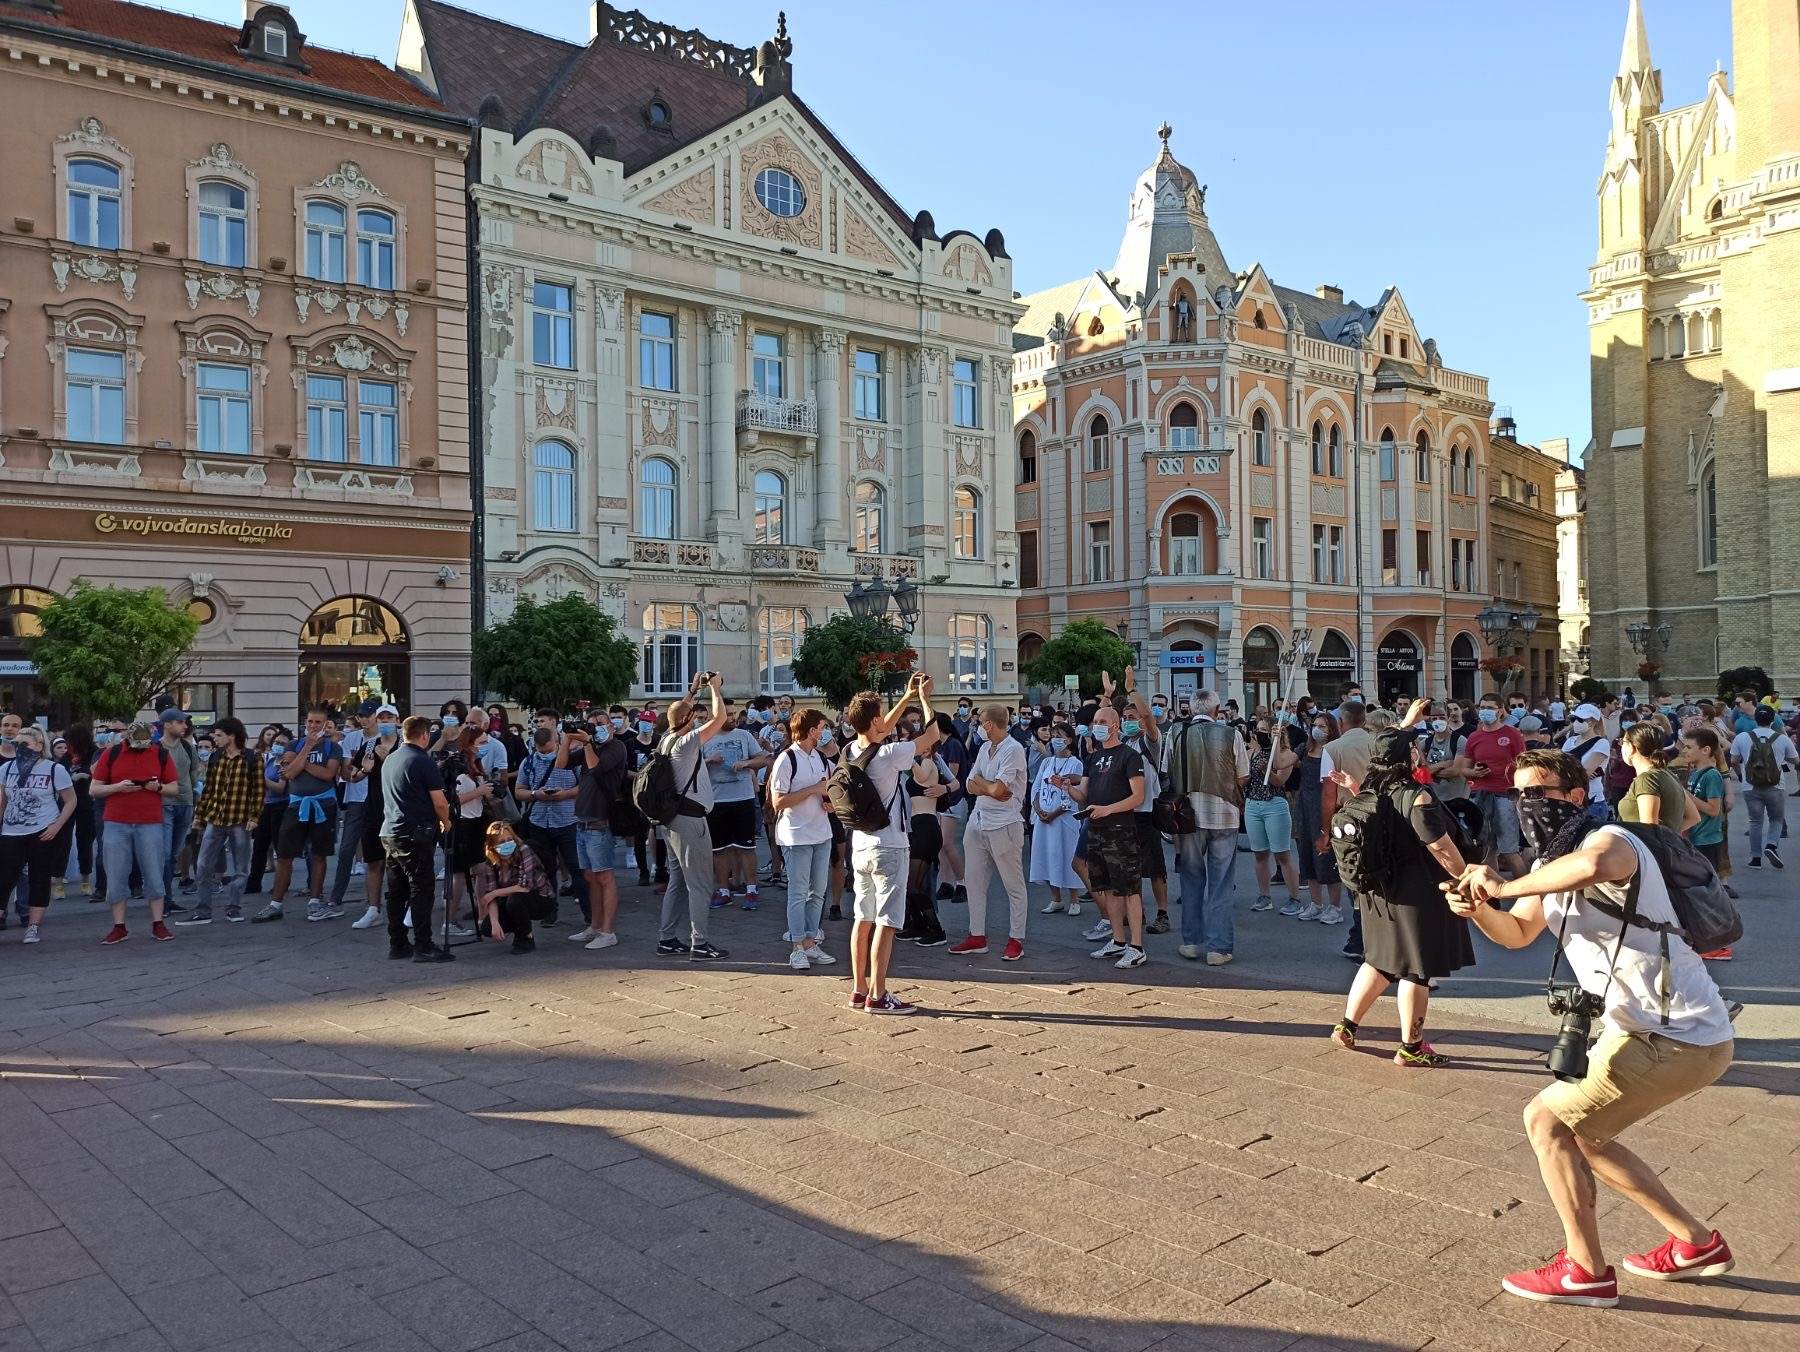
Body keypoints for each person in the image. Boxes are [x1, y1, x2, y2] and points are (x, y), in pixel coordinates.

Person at [1446, 749, 1737, 1307]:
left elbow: (1594, 869)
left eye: (1541, 794)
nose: (1528, 806)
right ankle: (1696, 1244)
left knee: (1546, 1121)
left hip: (1677, 1033)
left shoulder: (1611, 840)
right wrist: (1477, 906)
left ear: (1576, 797)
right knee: (1589, 1138)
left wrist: (1502, 885)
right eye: (1518, 795)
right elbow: (1514, 935)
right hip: (1652, 1029)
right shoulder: (1544, 868)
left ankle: (1585, 1271)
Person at [1330, 701, 1475, 1067]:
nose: (1419, 752)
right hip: (1417, 892)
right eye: (1414, 748)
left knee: (1378, 960)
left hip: (1380, 888)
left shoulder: (1372, 785)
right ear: (1409, 756)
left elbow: (1390, 744)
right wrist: (1465, 877)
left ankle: (1347, 1025)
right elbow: (1440, 847)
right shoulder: (1417, 796)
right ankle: (1412, 1047)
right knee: (1415, 969)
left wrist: (1409, 722)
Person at [845, 674, 940, 1014]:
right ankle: (879, 994)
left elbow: (879, 726)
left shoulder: (850, 749)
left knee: (863, 918)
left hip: (860, 843)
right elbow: (932, 735)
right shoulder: (889, 754)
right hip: (890, 845)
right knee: (886, 922)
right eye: (882, 714)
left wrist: (905, 696)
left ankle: (859, 990)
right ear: (874, 720)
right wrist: (925, 700)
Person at [1165, 690, 1250, 965]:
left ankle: (1190, 942)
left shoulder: (1175, 733)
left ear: (1190, 709)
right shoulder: (1231, 734)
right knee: (1221, 882)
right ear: (1216, 710)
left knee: (1190, 878)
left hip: (1187, 816)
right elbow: (1243, 777)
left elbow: (1166, 770)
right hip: (1225, 816)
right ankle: (1219, 947)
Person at [1067, 702, 1149, 969]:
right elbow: (1085, 796)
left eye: (1103, 722)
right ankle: (1117, 940)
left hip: (1121, 830)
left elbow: (1138, 796)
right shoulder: (1092, 758)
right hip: (1096, 828)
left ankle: (1137, 946)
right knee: (1108, 887)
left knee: (1129, 889)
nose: (1097, 727)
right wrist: (1068, 788)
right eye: (1095, 722)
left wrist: (1107, 810)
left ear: (1115, 726)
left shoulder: (1129, 756)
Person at [656, 672, 731, 962]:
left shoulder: (666, 739)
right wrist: (714, 689)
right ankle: (699, 943)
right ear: (689, 720)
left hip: (670, 819)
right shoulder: (687, 742)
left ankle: (667, 938)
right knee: (700, 883)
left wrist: (691, 691)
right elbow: (720, 718)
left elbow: (679, 713)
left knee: (677, 879)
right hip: (690, 821)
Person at [950, 704, 1030, 961]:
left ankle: (1016, 938)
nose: (976, 725)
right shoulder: (985, 748)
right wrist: (988, 786)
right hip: (978, 820)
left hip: (1004, 824)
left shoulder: (1014, 749)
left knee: (1013, 884)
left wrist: (985, 786)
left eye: (980, 722)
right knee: (973, 881)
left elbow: (1000, 789)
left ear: (988, 725)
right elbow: (970, 784)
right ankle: (977, 936)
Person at [90, 721, 178, 945]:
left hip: (150, 821)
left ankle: (158, 923)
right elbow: (94, 788)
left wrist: (156, 787)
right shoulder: (112, 753)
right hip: (116, 821)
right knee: (116, 872)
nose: (141, 746)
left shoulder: (160, 754)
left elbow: (174, 788)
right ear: (127, 737)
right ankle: (119, 926)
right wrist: (118, 787)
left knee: (154, 871)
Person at [254, 706, 342, 923]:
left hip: (324, 805)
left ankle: (315, 902)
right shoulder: (294, 744)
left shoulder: (333, 748)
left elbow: (328, 774)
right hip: (296, 805)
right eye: (310, 722)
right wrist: (308, 748)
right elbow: (290, 773)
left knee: (319, 854)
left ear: (325, 724)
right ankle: (276, 903)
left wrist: (302, 764)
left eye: (318, 723)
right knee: (285, 855)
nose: (313, 726)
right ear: (305, 723)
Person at [379, 715, 453, 961]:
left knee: (396, 889)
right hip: (414, 833)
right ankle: (423, 945)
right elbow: (439, 801)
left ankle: (397, 943)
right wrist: (446, 821)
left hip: (390, 831)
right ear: (424, 735)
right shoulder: (423, 761)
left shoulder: (390, 759)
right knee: (422, 888)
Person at [767, 709, 836, 970]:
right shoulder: (787, 758)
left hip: (821, 832)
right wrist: (812, 791)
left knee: (817, 892)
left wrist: (828, 803)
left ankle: (810, 941)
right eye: (821, 726)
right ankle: (797, 946)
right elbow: (778, 800)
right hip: (796, 835)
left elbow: (826, 791)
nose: (824, 731)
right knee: (798, 892)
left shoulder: (819, 757)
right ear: (810, 730)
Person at [0, 725, 77, 944]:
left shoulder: (54, 769)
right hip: (11, 831)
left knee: (39, 879)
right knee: (4, 879)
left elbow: (71, 800)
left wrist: (56, 826)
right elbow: (2, 801)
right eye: (17, 744)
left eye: (25, 743)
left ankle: (33, 926)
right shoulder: (6, 768)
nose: (20, 748)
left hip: (42, 831)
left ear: (39, 745)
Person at [180, 717, 260, 925]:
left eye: (219, 735)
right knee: (203, 865)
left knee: (241, 867)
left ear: (231, 736)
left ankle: (234, 906)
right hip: (216, 818)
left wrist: (254, 816)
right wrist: (199, 816)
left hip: (240, 819)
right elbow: (208, 790)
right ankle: (203, 908)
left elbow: (258, 790)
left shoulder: (251, 758)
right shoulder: (216, 758)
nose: (215, 739)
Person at [516, 722, 584, 925]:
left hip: (567, 820)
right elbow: (519, 790)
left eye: (548, 750)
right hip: (539, 821)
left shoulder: (571, 761)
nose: (545, 754)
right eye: (541, 751)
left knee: (576, 867)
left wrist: (565, 794)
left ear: (556, 743)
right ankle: (549, 911)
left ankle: (588, 914)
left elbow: (583, 787)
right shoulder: (528, 762)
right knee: (545, 869)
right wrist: (536, 794)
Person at [703, 703, 767, 911]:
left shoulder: (743, 735)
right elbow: (691, 767)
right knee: (719, 848)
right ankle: (723, 890)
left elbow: (762, 759)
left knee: (745, 847)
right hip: (716, 800)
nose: (732, 718)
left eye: (732, 714)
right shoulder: (704, 738)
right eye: (727, 715)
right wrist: (708, 760)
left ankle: (751, 889)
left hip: (743, 799)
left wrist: (747, 764)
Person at [569, 719, 626, 950]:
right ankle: (594, 926)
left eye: (600, 723)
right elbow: (561, 763)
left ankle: (608, 931)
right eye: (591, 725)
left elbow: (595, 767)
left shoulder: (615, 748)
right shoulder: (590, 747)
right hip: (582, 821)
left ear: (611, 727)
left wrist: (587, 744)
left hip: (601, 821)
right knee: (591, 877)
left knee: (605, 877)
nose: (595, 728)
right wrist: (567, 738)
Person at [324, 698, 381, 921]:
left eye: (368, 715)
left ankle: (375, 902)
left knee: (379, 852)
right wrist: (359, 770)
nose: (364, 719)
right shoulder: (352, 738)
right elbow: (346, 771)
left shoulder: (386, 739)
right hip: (356, 798)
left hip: (379, 798)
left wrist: (360, 770)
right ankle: (336, 897)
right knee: (347, 846)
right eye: (361, 716)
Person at [1244, 718, 1303, 918]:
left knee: (1282, 854)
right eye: (1258, 729)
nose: (1259, 733)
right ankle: (1264, 895)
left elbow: (1279, 781)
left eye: (1264, 730)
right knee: (1260, 854)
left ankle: (1295, 898)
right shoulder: (1253, 752)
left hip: (1274, 805)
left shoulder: (1284, 754)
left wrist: (1264, 771)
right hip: (1253, 805)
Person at [348, 708, 400, 930]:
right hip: (374, 808)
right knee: (373, 860)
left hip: (398, 809)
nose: (385, 722)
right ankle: (373, 908)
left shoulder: (404, 745)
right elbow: (353, 775)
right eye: (382, 718)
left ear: (397, 720)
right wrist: (364, 771)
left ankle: (402, 906)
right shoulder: (369, 745)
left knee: (398, 863)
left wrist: (388, 760)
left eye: (389, 718)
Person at [1464, 693, 1526, 876]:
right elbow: (1464, 768)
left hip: (1504, 796)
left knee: (1508, 850)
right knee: (1486, 850)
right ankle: (1493, 895)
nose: (1485, 711)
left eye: (1489, 708)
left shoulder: (1512, 733)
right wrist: (1474, 772)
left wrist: (1520, 792)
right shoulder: (1474, 737)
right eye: (1482, 708)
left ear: (1500, 711)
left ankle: (1529, 895)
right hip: (1480, 795)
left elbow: (1524, 763)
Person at [470, 820, 554, 954]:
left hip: (539, 898)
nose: (506, 844)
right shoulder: (491, 862)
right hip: (511, 899)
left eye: (509, 839)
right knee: (487, 927)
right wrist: (495, 922)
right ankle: (518, 929)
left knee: (515, 901)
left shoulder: (523, 850)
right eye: (501, 842)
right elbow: (491, 894)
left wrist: (495, 893)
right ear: (493, 846)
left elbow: (525, 886)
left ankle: (526, 936)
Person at [1294, 710, 1345, 925]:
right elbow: (1282, 761)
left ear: (1332, 729)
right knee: (1307, 853)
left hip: (1325, 806)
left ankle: (1335, 907)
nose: (1317, 729)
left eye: (1322, 726)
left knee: (1327, 856)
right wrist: (1277, 739)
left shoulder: (1335, 750)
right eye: (1315, 725)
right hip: (1305, 806)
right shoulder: (1305, 749)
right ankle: (1316, 903)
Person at [900, 732, 951, 946]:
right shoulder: (923, 763)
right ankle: (918, 925)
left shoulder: (929, 763)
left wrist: (910, 759)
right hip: (918, 827)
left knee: (913, 884)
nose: (924, 747)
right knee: (910, 884)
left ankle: (936, 929)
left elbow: (921, 778)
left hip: (927, 827)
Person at [1729, 705, 1794, 869]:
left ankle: (1755, 859)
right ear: (1773, 720)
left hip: (1750, 786)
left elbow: (1734, 761)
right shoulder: (1782, 738)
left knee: (1755, 821)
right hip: (1776, 785)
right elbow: (1795, 760)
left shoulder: (1742, 737)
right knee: (1776, 819)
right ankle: (1771, 846)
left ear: (1755, 719)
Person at [1028, 724, 1083, 915]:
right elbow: (1036, 788)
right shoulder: (1047, 762)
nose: (1054, 739)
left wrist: (1054, 813)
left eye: (1059, 736)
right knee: (1048, 855)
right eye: (1053, 735)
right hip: (1045, 818)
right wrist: (1039, 809)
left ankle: (1074, 899)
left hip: (1063, 819)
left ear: (1069, 739)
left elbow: (1073, 793)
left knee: (1067, 856)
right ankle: (1056, 898)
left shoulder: (1075, 763)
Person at [155, 709, 199, 910]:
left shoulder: (189, 748)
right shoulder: (154, 748)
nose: (184, 726)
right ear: (166, 724)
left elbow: (194, 776)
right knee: (164, 854)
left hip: (185, 803)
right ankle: (163, 900)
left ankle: (167, 899)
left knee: (173, 854)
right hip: (163, 804)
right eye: (180, 722)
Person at [1616, 723, 1697, 833]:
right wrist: (1671, 837)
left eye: (1622, 742)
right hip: (1664, 847)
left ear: (1631, 747)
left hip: (1645, 849)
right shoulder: (1667, 773)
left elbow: (1650, 831)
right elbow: (1693, 817)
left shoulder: (1646, 780)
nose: (1621, 746)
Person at [244, 725, 290, 896]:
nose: (277, 745)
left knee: (280, 847)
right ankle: (254, 883)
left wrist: (262, 779)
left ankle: (282, 883)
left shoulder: (286, 762)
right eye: (276, 742)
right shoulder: (270, 761)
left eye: (282, 743)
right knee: (259, 847)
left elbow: (280, 788)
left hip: (280, 806)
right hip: (266, 806)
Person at [56, 724, 97, 900]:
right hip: (66, 802)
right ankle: (58, 882)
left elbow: (100, 772)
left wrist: (86, 775)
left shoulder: (94, 753)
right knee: (61, 842)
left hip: (87, 801)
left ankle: (86, 879)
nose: (68, 745)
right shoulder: (66, 757)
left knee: (85, 840)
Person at [1562, 704, 1613, 823]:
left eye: (1580, 720)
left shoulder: (1601, 743)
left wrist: (1567, 772)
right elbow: (1559, 768)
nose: (1575, 723)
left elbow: (1583, 773)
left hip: (1592, 802)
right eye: (1573, 719)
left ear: (1592, 722)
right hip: (1569, 801)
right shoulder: (1570, 741)